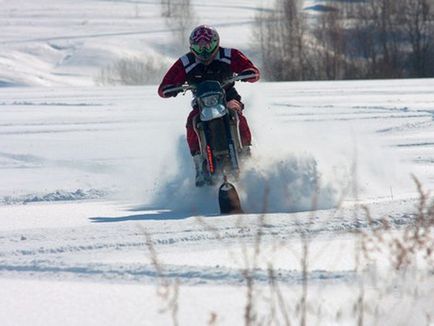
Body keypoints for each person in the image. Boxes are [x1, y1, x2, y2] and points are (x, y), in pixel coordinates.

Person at [158, 25, 260, 186]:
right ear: (192, 47)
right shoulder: (186, 62)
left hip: (228, 97)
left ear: (216, 43)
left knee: (237, 113)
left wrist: (248, 73)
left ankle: (247, 151)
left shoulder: (228, 54)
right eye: (199, 47)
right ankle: (198, 163)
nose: (204, 51)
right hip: (201, 103)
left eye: (208, 46)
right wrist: (169, 88)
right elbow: (164, 87)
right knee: (192, 121)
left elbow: (252, 70)